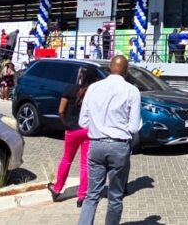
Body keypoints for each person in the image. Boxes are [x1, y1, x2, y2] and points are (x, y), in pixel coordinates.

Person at [77, 56, 141, 225]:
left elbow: (82, 121)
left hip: (96, 144)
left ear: (109, 68)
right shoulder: (132, 91)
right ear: (126, 71)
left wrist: (98, 125)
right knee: (115, 196)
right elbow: (134, 127)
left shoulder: (93, 88)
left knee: (92, 195)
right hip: (119, 146)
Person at [49, 67, 97, 205]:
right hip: (87, 130)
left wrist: (67, 124)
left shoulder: (70, 89)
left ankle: (57, 189)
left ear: (80, 76)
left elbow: (61, 111)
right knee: (85, 164)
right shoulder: (93, 93)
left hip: (72, 130)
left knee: (66, 159)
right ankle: (82, 196)